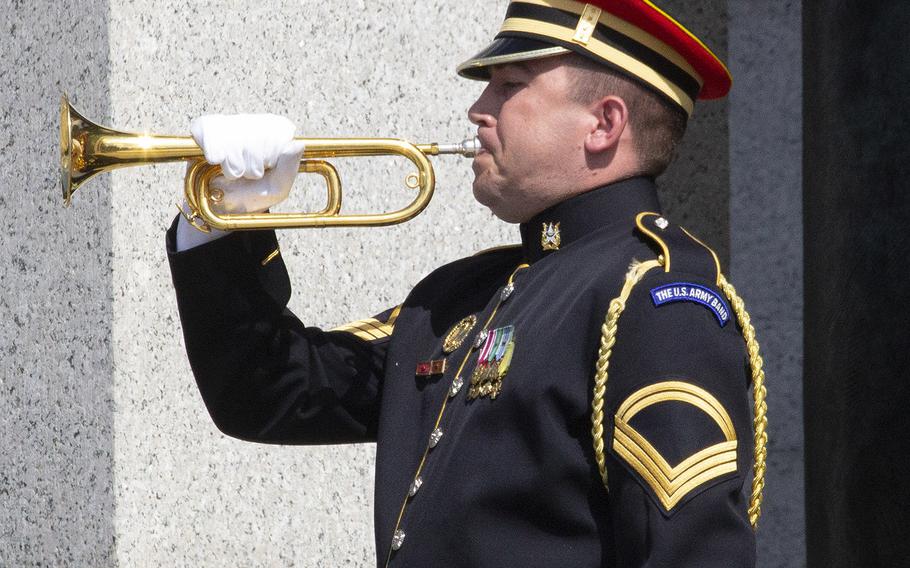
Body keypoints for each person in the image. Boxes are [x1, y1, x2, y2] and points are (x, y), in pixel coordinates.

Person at [167, 1, 766, 566]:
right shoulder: (464, 293)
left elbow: (690, 549)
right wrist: (221, 219)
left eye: (510, 86)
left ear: (603, 124)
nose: (478, 109)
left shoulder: (656, 297)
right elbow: (269, 392)